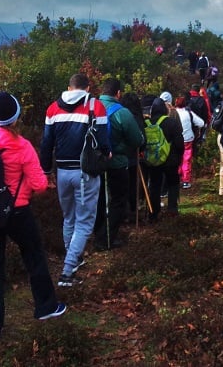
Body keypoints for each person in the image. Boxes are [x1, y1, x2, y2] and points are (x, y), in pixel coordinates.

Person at [0, 91, 66, 343]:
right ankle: (46, 307)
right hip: (17, 211)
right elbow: (40, 184)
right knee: (34, 256)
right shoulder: (22, 146)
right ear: (15, 119)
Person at [40, 73, 111, 287]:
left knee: (69, 218)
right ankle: (67, 272)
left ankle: (74, 259)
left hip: (62, 172)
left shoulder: (53, 108)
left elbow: (46, 144)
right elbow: (103, 139)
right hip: (85, 172)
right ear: (87, 87)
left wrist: (46, 171)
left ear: (68, 87)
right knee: (84, 222)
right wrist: (107, 154)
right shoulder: (96, 106)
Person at [94, 79, 144, 250]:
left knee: (98, 199)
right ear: (118, 93)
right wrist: (122, 148)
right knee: (117, 201)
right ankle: (107, 238)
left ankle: (97, 234)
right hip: (117, 163)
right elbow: (137, 140)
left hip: (95, 163)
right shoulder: (122, 113)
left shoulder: (90, 109)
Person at [141, 97, 184, 221]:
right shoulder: (172, 122)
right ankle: (172, 209)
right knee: (173, 183)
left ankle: (153, 212)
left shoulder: (147, 123)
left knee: (154, 184)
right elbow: (179, 143)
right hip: (171, 160)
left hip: (153, 160)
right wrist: (179, 156)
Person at [119, 91, 146, 223]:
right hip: (133, 157)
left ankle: (123, 213)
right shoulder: (138, 118)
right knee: (132, 186)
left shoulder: (120, 115)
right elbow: (142, 139)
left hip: (120, 157)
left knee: (121, 186)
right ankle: (132, 211)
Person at [175, 94, 204, 190]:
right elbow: (201, 123)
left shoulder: (173, 113)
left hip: (176, 139)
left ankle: (176, 176)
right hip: (188, 139)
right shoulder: (189, 112)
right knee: (186, 160)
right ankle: (185, 181)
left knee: (177, 158)